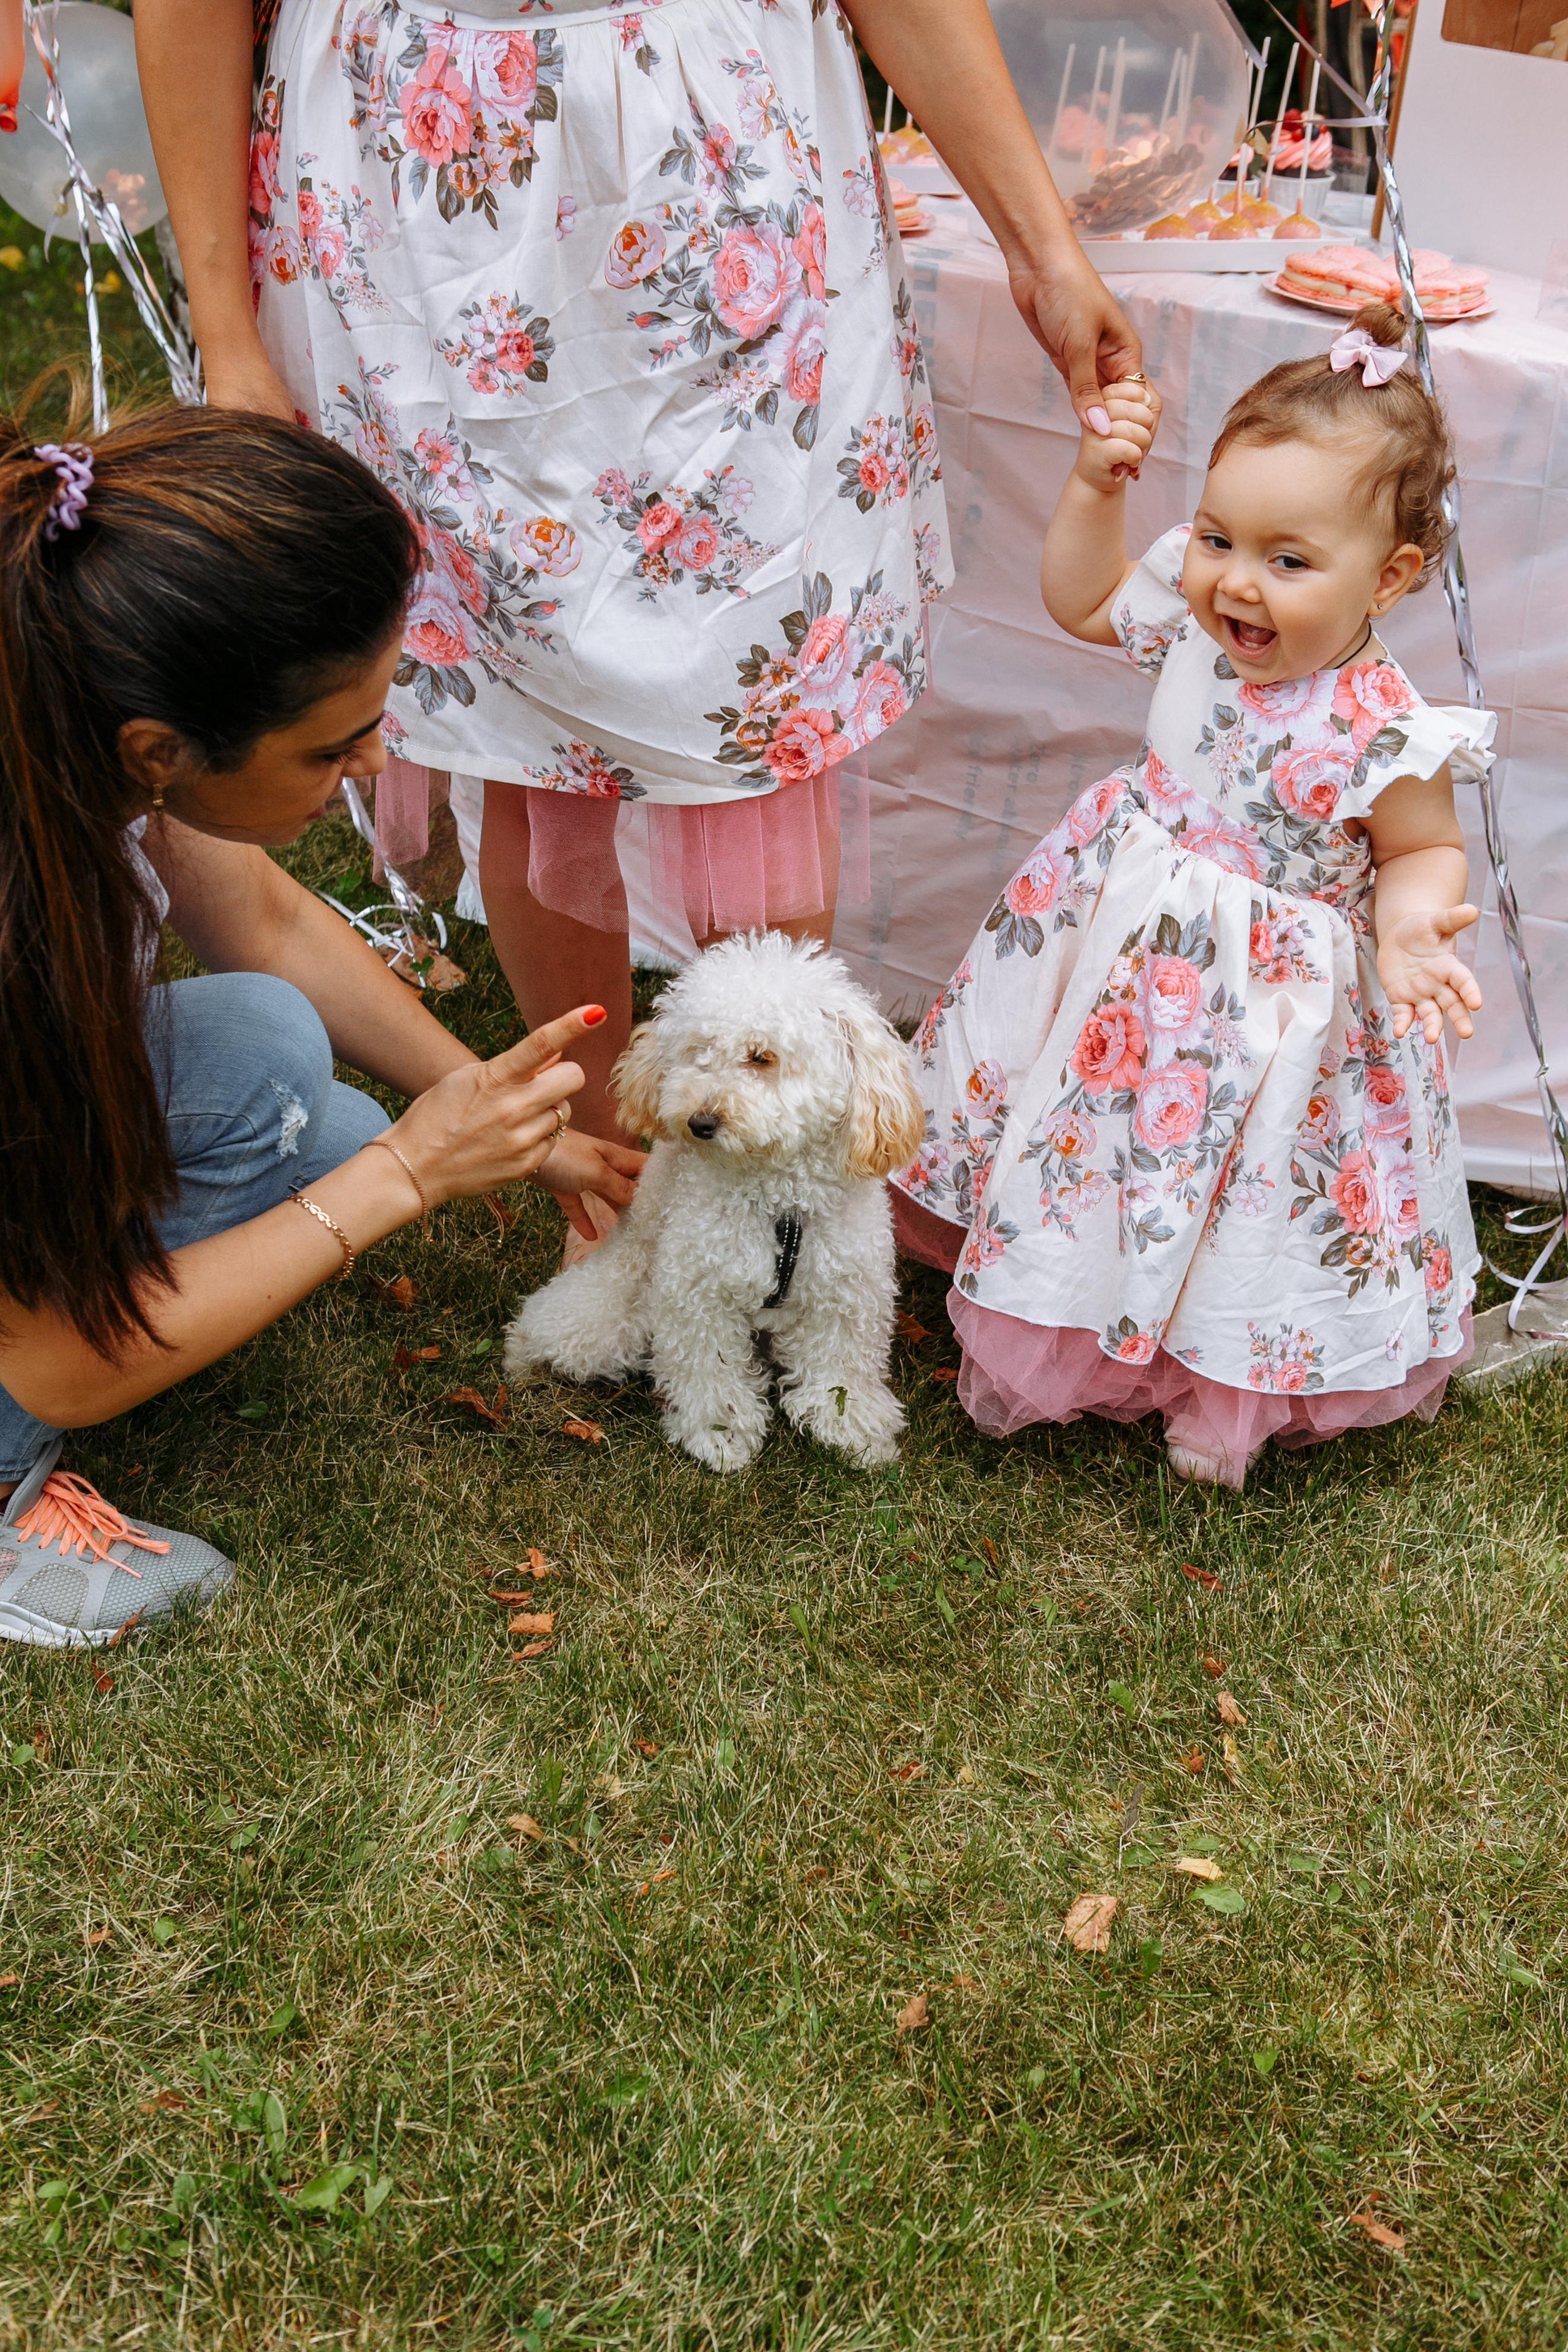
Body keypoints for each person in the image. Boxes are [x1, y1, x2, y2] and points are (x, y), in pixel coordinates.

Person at [135, 0, 1141, 1169]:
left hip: (713, 170)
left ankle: (759, 1187)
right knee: (525, 713)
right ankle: (610, 1182)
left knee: (754, 697)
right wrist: (226, 332)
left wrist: (1045, 246)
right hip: (415, 198)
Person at [0, 402, 644, 1646]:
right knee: (344, 1156)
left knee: (295, 1092)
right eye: (333, 746)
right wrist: (408, 1172)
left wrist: (518, 1122)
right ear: (159, 748)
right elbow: (59, 1364)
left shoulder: (66, 700)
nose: (368, 767)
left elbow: (269, 928)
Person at [892, 303, 1491, 1490]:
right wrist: (1093, 486)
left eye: (1287, 560)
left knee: (1238, 1171)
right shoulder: (1190, 618)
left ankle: (1222, 1368)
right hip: (1124, 936)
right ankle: (1067, 1281)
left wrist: (1412, 920)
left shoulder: (1383, 729)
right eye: (1219, 538)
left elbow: (1423, 848)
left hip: (1270, 1005)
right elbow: (1080, 599)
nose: (1235, 585)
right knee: (1100, 1129)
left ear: (1392, 574)